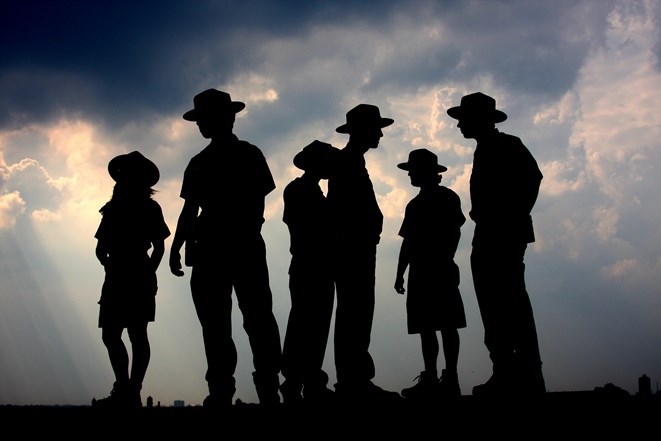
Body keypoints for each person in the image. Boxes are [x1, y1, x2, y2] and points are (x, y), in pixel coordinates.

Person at [169, 89, 282, 408]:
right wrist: (177, 245)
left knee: (234, 321)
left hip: (219, 246)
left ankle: (239, 389)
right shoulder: (242, 155)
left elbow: (192, 209)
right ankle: (256, 389)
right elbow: (192, 209)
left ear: (226, 118)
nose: (201, 125)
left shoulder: (206, 161)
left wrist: (178, 246)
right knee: (245, 319)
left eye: (205, 119)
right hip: (229, 245)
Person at [446, 92, 545, 398]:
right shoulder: (487, 149)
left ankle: (522, 373)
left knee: (508, 302)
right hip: (490, 233)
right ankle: (507, 370)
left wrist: (510, 215)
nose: (460, 124)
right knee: (494, 305)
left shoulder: (507, 145)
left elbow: (533, 178)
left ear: (480, 120)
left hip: (501, 235)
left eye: (464, 118)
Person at [327, 104, 401, 402]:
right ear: (363, 131)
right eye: (376, 128)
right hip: (353, 250)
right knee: (354, 313)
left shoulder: (351, 162)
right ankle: (354, 382)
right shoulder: (348, 163)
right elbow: (342, 211)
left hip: (356, 248)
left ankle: (353, 380)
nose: (381, 134)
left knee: (355, 314)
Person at [93, 151, 171, 409]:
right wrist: (109, 264)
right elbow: (99, 248)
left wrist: (150, 270)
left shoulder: (149, 207)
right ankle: (124, 387)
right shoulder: (112, 209)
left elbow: (159, 247)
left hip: (135, 273)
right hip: (119, 274)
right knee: (112, 334)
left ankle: (131, 390)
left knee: (136, 333)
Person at [394, 148, 466, 401]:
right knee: (432, 326)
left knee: (442, 325)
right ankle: (437, 378)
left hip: (434, 267)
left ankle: (447, 378)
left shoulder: (441, 199)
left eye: (413, 170)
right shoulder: (417, 204)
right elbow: (408, 242)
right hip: (427, 269)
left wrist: (442, 257)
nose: (410, 175)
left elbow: (452, 232)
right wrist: (400, 273)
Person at [280, 140, 340, 405]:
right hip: (309, 263)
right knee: (306, 324)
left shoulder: (310, 190)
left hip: (315, 264)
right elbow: (311, 226)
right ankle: (298, 381)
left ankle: (306, 381)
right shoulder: (300, 190)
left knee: (311, 324)